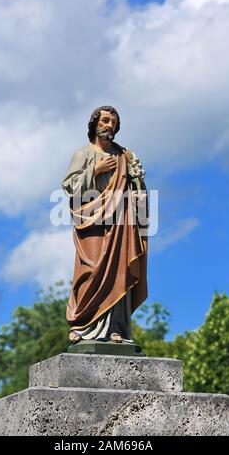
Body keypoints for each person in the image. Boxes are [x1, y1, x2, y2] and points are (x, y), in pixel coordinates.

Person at [62, 105, 148, 344]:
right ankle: (81, 325)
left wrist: (139, 186)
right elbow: (70, 187)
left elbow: (137, 188)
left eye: (113, 122)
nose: (109, 125)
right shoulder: (83, 154)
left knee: (119, 271)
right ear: (95, 124)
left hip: (120, 223)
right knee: (89, 271)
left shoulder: (124, 156)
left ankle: (115, 329)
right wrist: (94, 170)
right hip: (92, 222)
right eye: (105, 120)